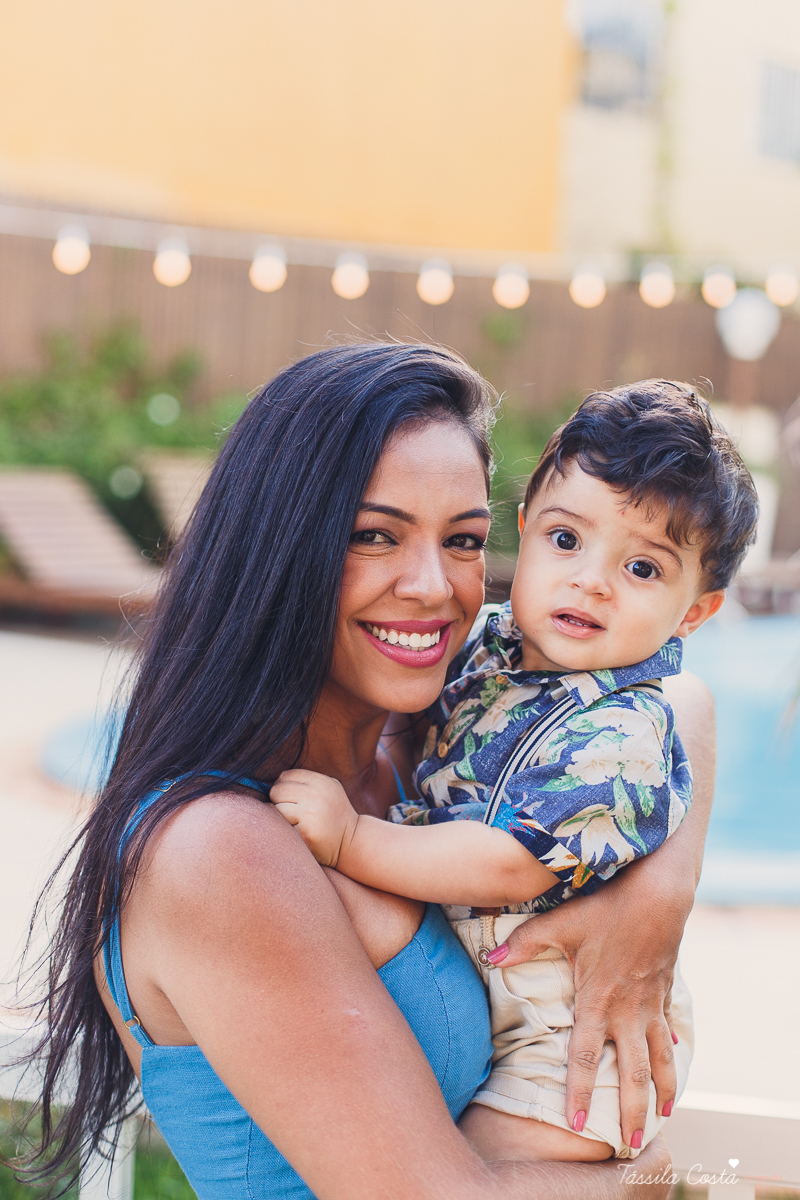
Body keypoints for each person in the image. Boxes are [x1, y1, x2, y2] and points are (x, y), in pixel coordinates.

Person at [18, 346, 714, 1200]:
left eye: (462, 540)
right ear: (280, 550)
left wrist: (655, 898)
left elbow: (679, 700)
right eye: (374, 536)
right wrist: (651, 1177)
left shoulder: (419, 749)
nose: (432, 586)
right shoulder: (221, 851)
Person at [272, 381, 757, 1165]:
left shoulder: (623, 728)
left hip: (566, 1033)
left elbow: (506, 862)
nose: (590, 580)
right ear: (525, 532)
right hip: (506, 996)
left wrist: (350, 838)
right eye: (567, 541)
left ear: (695, 611)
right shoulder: (493, 650)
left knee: (481, 1175)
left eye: (641, 567)